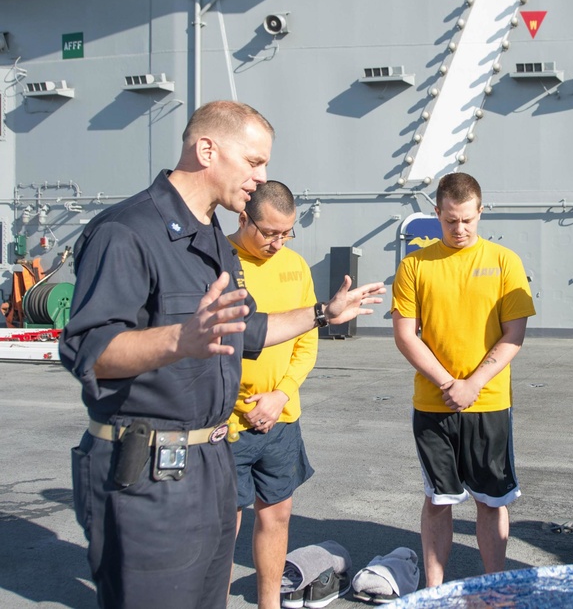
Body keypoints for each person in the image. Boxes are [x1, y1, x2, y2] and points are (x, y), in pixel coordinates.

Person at [59, 100, 385, 609]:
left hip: (212, 462)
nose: (262, 177)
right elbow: (88, 349)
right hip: (150, 474)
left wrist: (323, 312)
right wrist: (177, 340)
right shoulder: (126, 232)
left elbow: (248, 329)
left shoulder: (212, 236)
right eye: (255, 162)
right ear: (206, 149)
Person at [391, 172, 535, 587]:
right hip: (435, 405)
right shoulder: (414, 265)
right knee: (438, 501)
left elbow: (515, 334)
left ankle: (495, 586)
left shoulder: (505, 261)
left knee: (492, 502)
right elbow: (405, 334)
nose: (460, 229)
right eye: (451, 220)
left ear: (480, 212)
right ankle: (435, 592)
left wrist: (473, 383)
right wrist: (448, 383)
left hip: (489, 404)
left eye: (468, 220)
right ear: (436, 213)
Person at [225, 181, 338, 609]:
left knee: (277, 515)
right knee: (223, 528)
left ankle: (269, 604)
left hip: (280, 419)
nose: (277, 242)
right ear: (242, 218)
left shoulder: (294, 265)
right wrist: (244, 404)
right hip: (227, 424)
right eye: (269, 232)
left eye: (285, 233)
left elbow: (307, 342)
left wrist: (281, 395)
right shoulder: (217, 261)